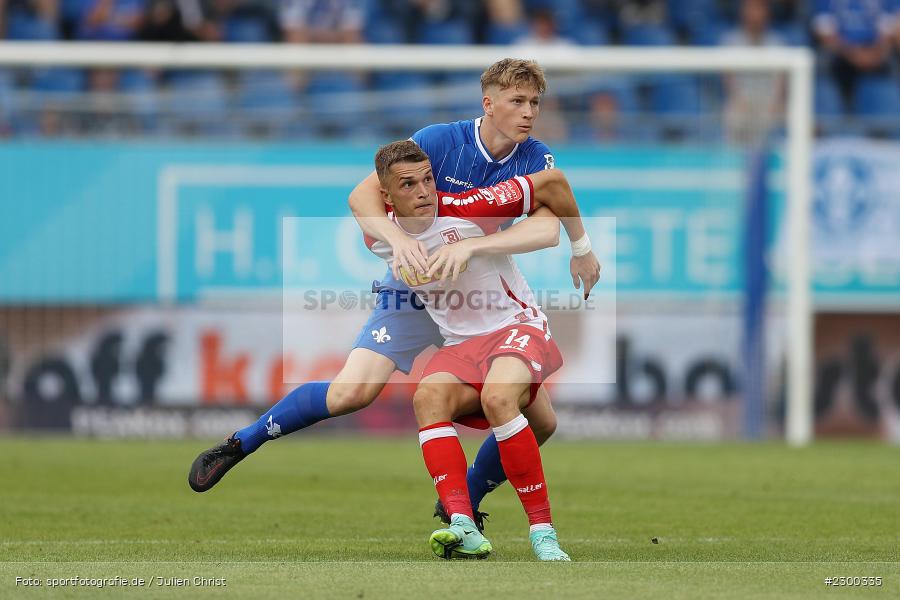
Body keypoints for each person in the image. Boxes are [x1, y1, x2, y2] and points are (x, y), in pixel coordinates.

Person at [188, 59, 601, 531]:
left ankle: (464, 497)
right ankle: (242, 442)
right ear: (489, 103)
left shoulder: (535, 156)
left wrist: (476, 246)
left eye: (534, 103)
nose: (529, 113)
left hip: (475, 295)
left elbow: (547, 228)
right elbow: (364, 195)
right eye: (518, 101)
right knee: (352, 392)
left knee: (542, 423)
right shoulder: (440, 140)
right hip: (416, 288)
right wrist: (401, 241)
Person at [367, 139, 574, 561]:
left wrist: (472, 245)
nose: (425, 191)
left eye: (428, 179)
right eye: (409, 185)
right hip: (461, 344)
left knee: (498, 397)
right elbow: (360, 204)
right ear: (387, 196)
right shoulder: (381, 237)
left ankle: (543, 533)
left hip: (514, 326)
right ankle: (462, 523)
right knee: (428, 396)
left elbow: (550, 209)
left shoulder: (468, 205)